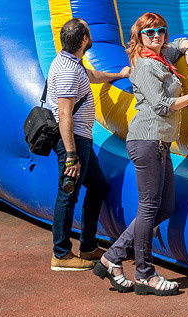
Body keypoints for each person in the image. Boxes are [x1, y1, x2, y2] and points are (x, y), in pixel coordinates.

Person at [93, 12, 188, 295]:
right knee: (148, 208)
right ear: (139, 37)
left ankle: (112, 258)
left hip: (161, 144)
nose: (157, 36)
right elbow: (161, 105)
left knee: (165, 207)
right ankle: (145, 273)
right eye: (150, 32)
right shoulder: (144, 66)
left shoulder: (161, 55)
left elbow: (181, 41)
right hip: (147, 141)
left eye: (161, 30)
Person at [48, 18, 130, 272]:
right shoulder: (68, 70)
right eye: (89, 32)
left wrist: (118, 74)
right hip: (73, 141)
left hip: (82, 138)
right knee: (68, 193)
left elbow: (91, 75)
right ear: (84, 39)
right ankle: (61, 254)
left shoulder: (71, 61)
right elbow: (64, 115)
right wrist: (71, 155)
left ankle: (88, 245)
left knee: (98, 186)